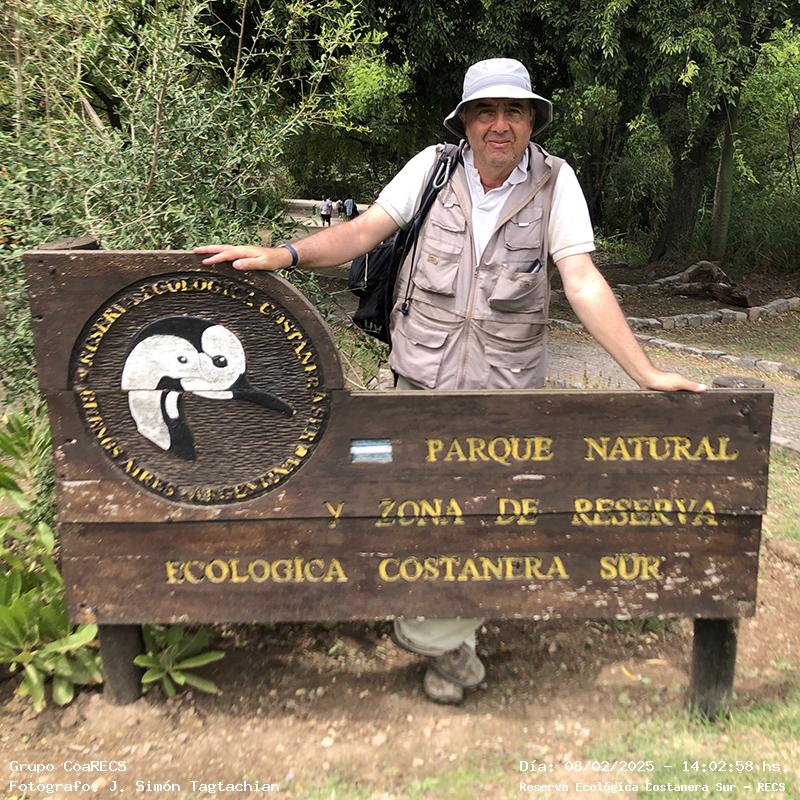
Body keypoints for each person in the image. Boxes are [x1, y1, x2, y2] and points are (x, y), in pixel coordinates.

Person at [195, 57, 705, 705]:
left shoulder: (557, 183)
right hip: (419, 387)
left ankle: (442, 645)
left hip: (501, 401)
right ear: (465, 121)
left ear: (532, 121)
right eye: (485, 111)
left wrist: (645, 371)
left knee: (478, 525)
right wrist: (284, 255)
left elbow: (581, 280)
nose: (500, 125)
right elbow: (363, 232)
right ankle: (441, 636)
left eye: (514, 111)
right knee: (406, 512)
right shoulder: (433, 169)